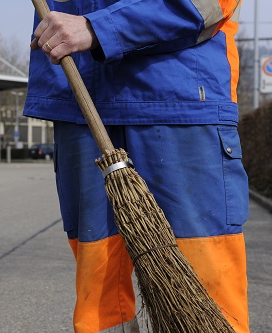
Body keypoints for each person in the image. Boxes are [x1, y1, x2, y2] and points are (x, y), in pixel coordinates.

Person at [23, 1, 249, 333]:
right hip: (78, 93)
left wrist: (98, 28)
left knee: (205, 279)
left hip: (178, 96)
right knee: (99, 295)